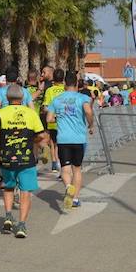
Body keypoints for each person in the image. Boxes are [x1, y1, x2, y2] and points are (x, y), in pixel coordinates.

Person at [0, 84, 48, 238]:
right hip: (26, 158)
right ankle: (21, 225)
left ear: (7, 98)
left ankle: (8, 216)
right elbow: (42, 136)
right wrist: (32, 141)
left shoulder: (0, 113)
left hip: (7, 157)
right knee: (25, 192)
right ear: (22, 98)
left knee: (8, 187)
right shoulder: (30, 113)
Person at [46, 72, 95, 210]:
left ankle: (68, 187)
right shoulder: (83, 98)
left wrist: (59, 118)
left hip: (63, 139)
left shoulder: (56, 99)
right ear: (77, 84)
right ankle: (75, 199)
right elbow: (89, 112)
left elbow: (49, 119)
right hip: (79, 139)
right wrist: (90, 125)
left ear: (64, 84)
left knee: (65, 169)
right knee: (77, 169)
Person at [41, 69, 66, 173]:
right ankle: (62, 164)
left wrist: (53, 112)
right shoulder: (66, 90)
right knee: (62, 144)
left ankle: (55, 163)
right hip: (65, 122)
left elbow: (45, 107)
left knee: (53, 143)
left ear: (53, 78)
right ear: (63, 78)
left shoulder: (49, 91)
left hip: (52, 122)